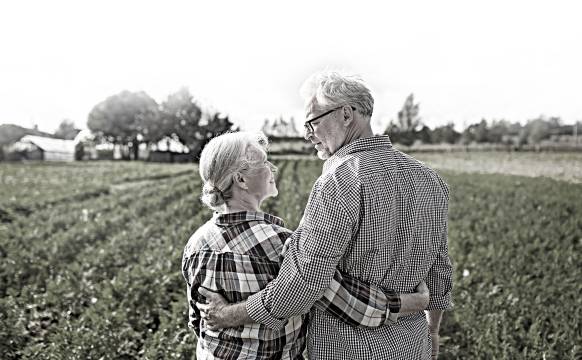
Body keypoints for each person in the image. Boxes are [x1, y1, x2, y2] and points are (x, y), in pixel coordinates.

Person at [196, 72, 453, 359]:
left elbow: (305, 282)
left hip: (347, 350)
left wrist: (228, 315)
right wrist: (432, 332)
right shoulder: (430, 178)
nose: (307, 133)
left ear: (345, 114)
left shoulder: (341, 179)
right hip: (413, 346)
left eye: (312, 122)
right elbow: (439, 270)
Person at [182, 131, 431, 359]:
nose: (273, 168)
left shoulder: (195, 244)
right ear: (241, 180)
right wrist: (412, 302)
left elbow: (199, 320)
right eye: (264, 163)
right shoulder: (281, 243)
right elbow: (348, 303)